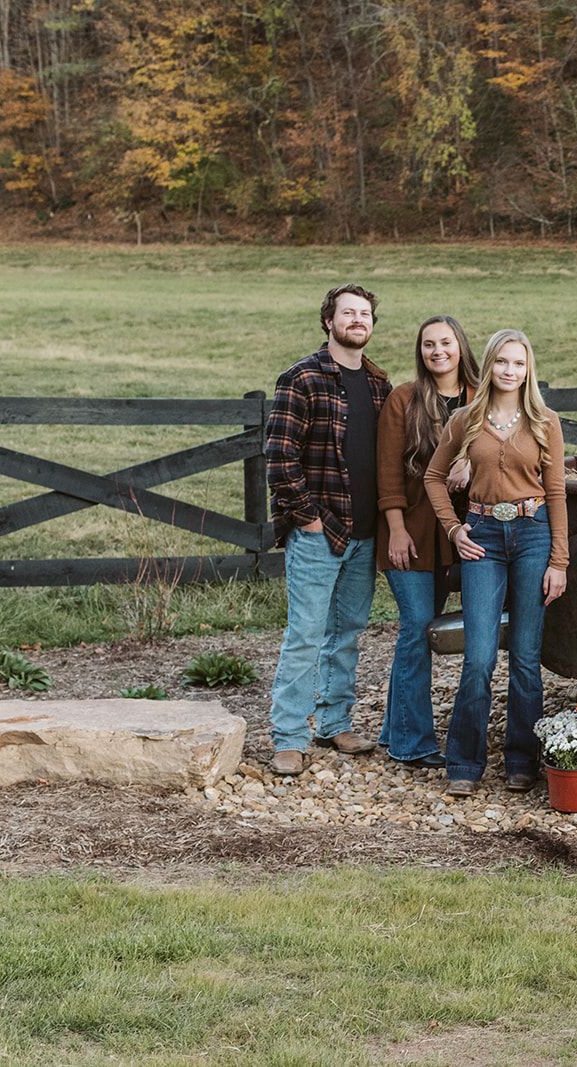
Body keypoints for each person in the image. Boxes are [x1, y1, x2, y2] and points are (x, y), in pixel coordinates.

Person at [424, 329, 568, 797]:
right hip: (482, 538)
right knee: (479, 657)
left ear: (529, 369)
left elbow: (557, 493)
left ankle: (522, 760)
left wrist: (558, 561)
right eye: (503, 362)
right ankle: (464, 763)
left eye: (519, 363)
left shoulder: (545, 421)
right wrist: (454, 528)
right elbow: (433, 477)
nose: (510, 371)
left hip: (532, 534)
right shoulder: (465, 420)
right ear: (489, 366)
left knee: (526, 657)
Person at [263, 284, 391, 776]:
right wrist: (308, 516)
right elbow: (280, 456)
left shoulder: (379, 384)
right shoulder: (302, 378)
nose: (358, 320)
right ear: (328, 321)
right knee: (305, 635)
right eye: (348, 313)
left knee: (349, 632)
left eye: (365, 314)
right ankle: (289, 737)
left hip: (365, 533)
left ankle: (335, 722)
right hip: (320, 533)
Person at [375, 316, 480, 769]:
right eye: (428, 344)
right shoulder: (404, 399)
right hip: (412, 533)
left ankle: (391, 729)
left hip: (459, 535)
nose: (438, 351)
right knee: (418, 629)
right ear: (421, 352)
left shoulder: (482, 396)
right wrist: (395, 528)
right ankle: (412, 743)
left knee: (424, 630)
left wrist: (473, 466)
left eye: (446, 342)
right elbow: (388, 471)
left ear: (461, 346)